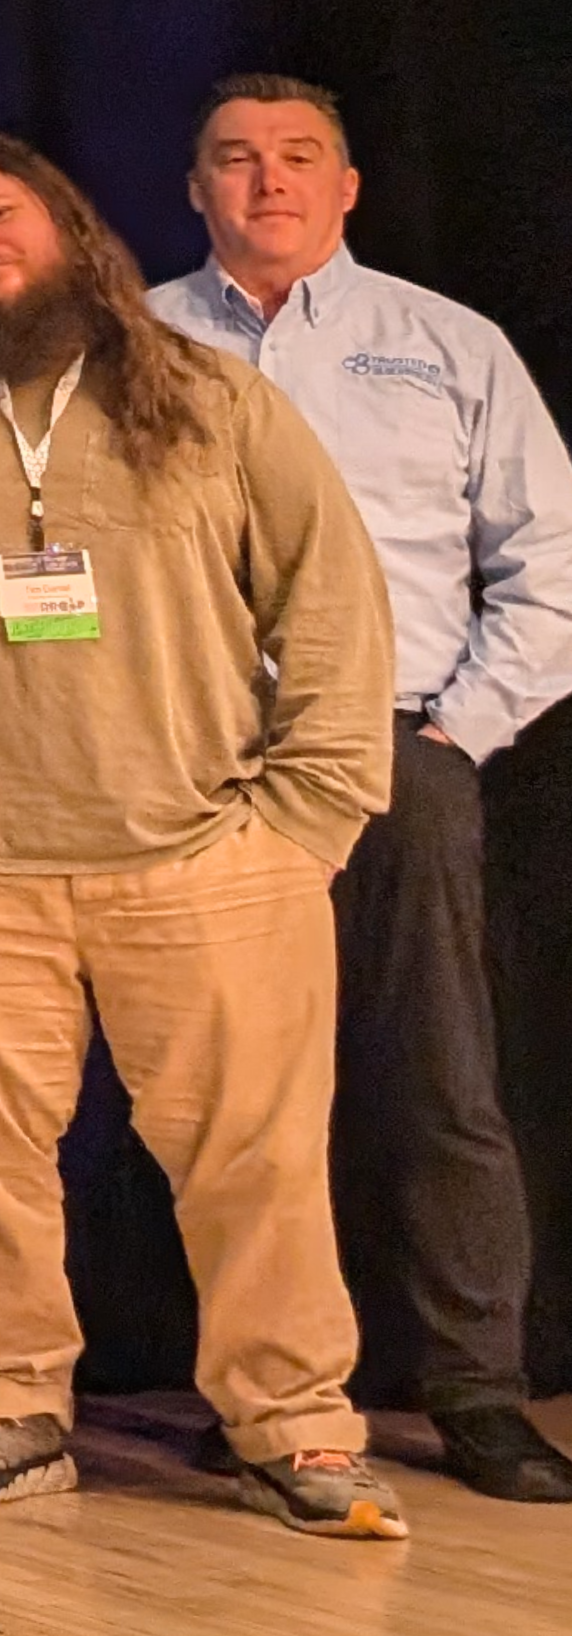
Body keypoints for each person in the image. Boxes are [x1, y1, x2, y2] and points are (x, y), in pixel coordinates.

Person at [0, 130, 405, 1536]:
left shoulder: (210, 399)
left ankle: (294, 1424)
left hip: (205, 861)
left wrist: (306, 816)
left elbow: (333, 603)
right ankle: (8, 1401)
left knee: (259, 1161)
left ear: (63, 220)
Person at [154, 74, 572, 1503]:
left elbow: (548, 561)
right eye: (235, 160)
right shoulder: (136, 346)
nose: (267, 182)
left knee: (439, 1078)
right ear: (195, 188)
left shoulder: (445, 344)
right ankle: (270, 1390)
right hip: (198, 771)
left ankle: (477, 1387)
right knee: (240, 1099)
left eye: (298, 157)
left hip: (401, 750)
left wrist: (458, 731)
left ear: (348, 185)